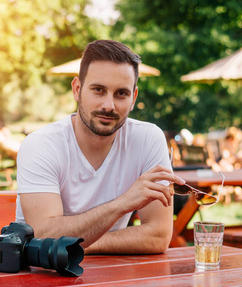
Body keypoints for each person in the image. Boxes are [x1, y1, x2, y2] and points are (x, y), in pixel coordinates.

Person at [15, 40, 186, 255]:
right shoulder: (41, 145)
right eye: (98, 90)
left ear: (133, 98)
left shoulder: (148, 139)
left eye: (121, 94)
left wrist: (79, 245)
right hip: (43, 278)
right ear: (77, 90)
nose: (109, 105)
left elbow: (158, 236)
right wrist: (122, 203)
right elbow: (45, 235)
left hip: (113, 276)